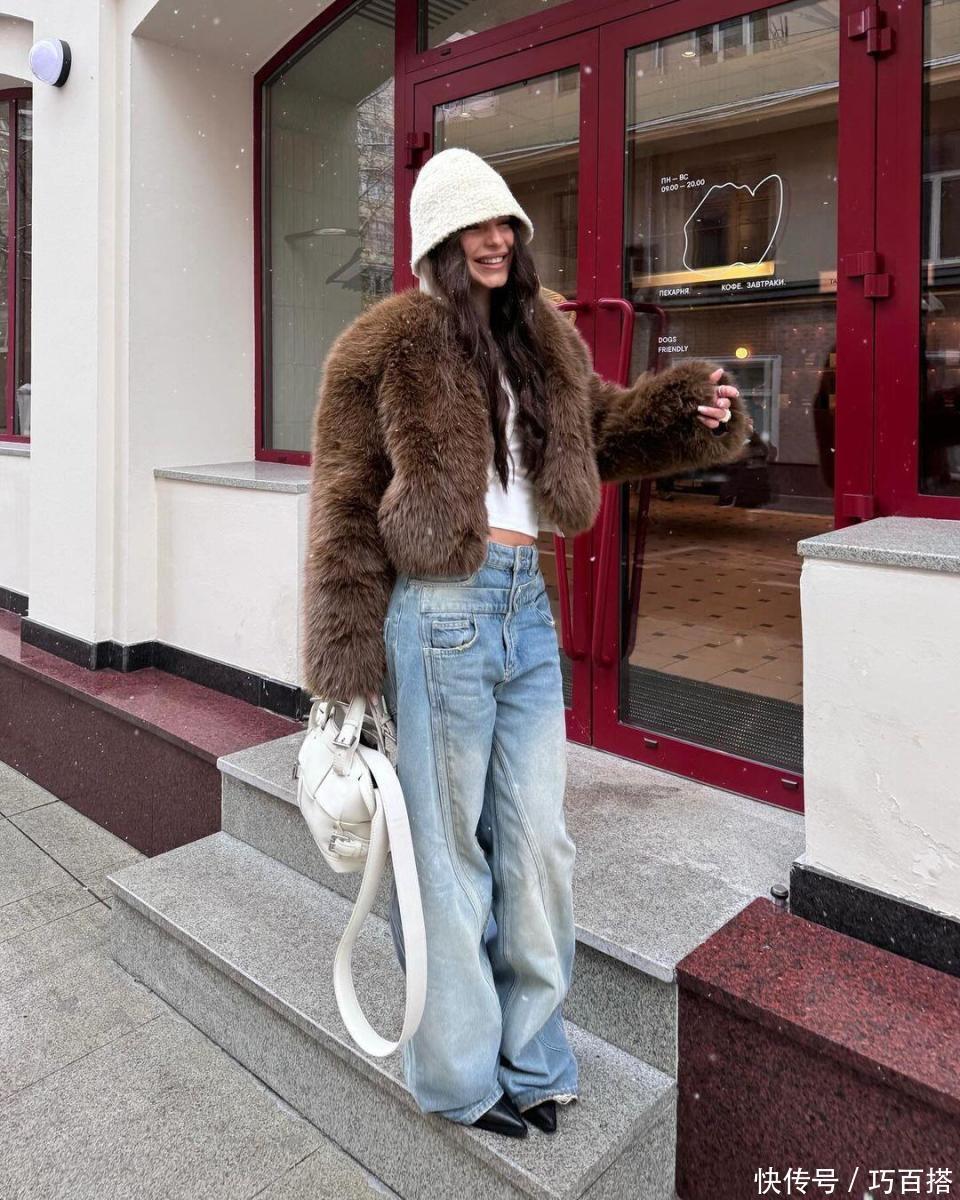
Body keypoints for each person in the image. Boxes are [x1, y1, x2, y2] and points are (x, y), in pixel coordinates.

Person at [302, 148, 746, 1140]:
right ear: (438, 239)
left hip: (525, 609)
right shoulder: (386, 345)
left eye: (506, 222)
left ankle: (535, 1057)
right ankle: (459, 1075)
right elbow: (341, 509)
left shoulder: (542, 335)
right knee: (445, 853)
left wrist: (689, 412)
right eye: (477, 224)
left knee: (540, 842)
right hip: (436, 615)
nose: (498, 238)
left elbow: (600, 435)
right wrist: (344, 673)